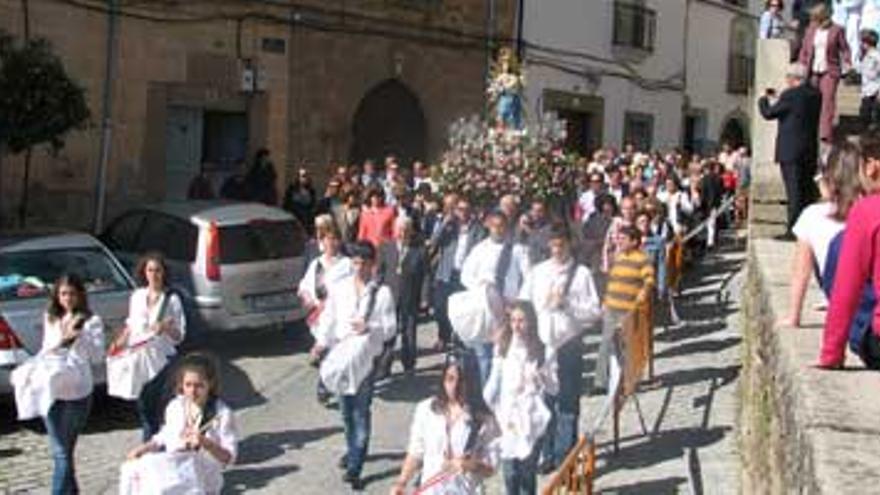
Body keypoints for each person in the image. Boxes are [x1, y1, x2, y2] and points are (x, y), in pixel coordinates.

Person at [11, 275, 105, 494]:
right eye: (63, 294)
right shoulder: (51, 317)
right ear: (57, 296)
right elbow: (46, 350)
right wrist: (63, 338)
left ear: (80, 295)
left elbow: (97, 357)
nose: (68, 298)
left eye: (72, 293)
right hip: (51, 390)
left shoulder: (91, 321)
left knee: (66, 450)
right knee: (60, 451)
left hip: (77, 390)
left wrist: (81, 336)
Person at [313, 241, 396, 489]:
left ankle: (355, 466)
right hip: (340, 358)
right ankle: (352, 450)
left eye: (365, 263)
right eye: (356, 263)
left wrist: (370, 327)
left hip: (365, 361)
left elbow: (391, 328)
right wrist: (320, 344)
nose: (360, 268)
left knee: (360, 412)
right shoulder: (340, 289)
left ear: (373, 265)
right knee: (346, 413)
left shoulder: (382, 294)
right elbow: (329, 319)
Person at [519, 225, 602, 474]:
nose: (556, 250)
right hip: (543, 344)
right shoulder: (538, 272)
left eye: (561, 245)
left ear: (569, 244)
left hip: (569, 344)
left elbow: (593, 312)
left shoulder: (582, 274)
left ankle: (566, 456)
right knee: (545, 401)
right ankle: (547, 453)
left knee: (568, 402)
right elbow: (524, 304)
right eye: (553, 245)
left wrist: (567, 304)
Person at [121, 352, 237, 494]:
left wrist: (205, 443)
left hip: (203, 475)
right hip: (174, 466)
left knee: (160, 489)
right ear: (181, 384)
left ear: (210, 384)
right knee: (134, 469)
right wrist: (144, 448)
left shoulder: (221, 413)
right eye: (188, 385)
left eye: (199, 386)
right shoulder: (176, 406)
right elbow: (164, 435)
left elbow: (229, 458)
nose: (192, 391)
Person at [779, 141, 862, 329]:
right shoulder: (869, 211)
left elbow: (801, 270)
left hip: (842, 303)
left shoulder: (812, 215)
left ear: (828, 179)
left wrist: (793, 316)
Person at [390, 356, 499, 495]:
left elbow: (491, 468)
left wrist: (470, 465)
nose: (455, 386)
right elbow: (415, 452)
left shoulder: (484, 418)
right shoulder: (426, 409)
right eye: (450, 379)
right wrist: (402, 482)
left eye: (461, 381)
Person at [108, 252, 187, 440]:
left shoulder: (171, 300)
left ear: (164, 273)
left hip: (161, 357)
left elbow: (180, 335)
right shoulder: (137, 296)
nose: (154, 274)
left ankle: (151, 442)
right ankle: (154, 439)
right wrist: (118, 343)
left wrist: (166, 328)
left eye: (158, 270)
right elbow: (131, 325)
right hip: (137, 355)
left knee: (154, 401)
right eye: (150, 270)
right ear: (144, 272)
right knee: (143, 402)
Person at [483, 301, 556, 494]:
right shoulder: (503, 347)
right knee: (509, 472)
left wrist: (542, 376)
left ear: (530, 322)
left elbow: (554, 388)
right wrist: (486, 409)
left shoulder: (543, 349)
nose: (517, 325)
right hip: (507, 417)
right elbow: (493, 382)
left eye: (521, 320)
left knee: (526, 471)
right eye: (513, 320)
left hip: (531, 418)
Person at [821, 134, 880, 369]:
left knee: (839, 245)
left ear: (872, 166)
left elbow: (845, 290)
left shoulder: (867, 211)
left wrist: (831, 354)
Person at [457, 211, 532, 386]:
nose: (498, 230)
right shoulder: (480, 249)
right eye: (494, 226)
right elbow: (466, 275)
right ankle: (486, 400)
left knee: (507, 355)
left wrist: (519, 302)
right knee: (485, 356)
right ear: (488, 226)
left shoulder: (518, 250)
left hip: (509, 308)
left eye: (501, 226)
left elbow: (529, 278)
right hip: (485, 309)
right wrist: (480, 286)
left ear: (507, 227)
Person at [759, 62, 823, 239]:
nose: (786, 81)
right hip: (809, 150)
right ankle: (806, 229)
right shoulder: (816, 94)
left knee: (793, 192)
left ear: (794, 78)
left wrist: (763, 99)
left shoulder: (790, 95)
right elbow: (798, 107)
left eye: (788, 78)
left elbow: (769, 113)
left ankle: (793, 230)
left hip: (790, 150)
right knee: (806, 192)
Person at [595, 226, 655, 391]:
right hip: (612, 308)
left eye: (622, 239)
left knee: (628, 346)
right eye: (618, 238)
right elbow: (612, 282)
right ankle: (601, 382)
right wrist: (605, 302)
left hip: (628, 311)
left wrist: (644, 293)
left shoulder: (642, 259)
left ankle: (630, 381)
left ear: (634, 241)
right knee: (606, 344)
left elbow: (649, 279)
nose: (618, 241)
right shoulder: (618, 257)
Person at [299, 225, 353, 405]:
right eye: (327, 239)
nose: (331, 243)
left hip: (340, 317)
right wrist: (307, 297)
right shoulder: (316, 264)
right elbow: (304, 286)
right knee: (326, 353)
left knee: (335, 354)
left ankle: (326, 386)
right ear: (322, 242)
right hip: (319, 316)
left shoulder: (347, 264)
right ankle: (326, 383)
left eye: (335, 239)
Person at [430, 196, 485, 350]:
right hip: (446, 272)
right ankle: (443, 335)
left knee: (462, 310)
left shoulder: (478, 228)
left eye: (467, 210)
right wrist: (445, 223)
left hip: (465, 275)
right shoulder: (449, 227)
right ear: (455, 211)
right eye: (460, 210)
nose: (464, 213)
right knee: (440, 307)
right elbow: (434, 242)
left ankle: (459, 337)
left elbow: (479, 248)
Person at [377, 216, 428, 376]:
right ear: (394, 230)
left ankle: (409, 363)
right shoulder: (386, 248)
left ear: (411, 231)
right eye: (400, 229)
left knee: (409, 331)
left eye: (406, 229)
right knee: (387, 332)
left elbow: (426, 275)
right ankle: (384, 366)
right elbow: (380, 272)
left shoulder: (419, 251)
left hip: (410, 296)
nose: (403, 232)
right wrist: (376, 293)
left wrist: (425, 297)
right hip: (389, 298)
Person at [799, 2, 852, 142]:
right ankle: (810, 129)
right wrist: (802, 64)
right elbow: (804, 49)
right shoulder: (811, 29)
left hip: (830, 71)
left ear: (823, 17)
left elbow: (845, 48)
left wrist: (847, 62)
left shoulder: (837, 30)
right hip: (812, 71)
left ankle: (825, 134)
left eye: (815, 17)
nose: (813, 20)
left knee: (827, 102)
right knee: (811, 100)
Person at [283, 168, 318, 233]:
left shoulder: (311, 191)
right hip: (294, 218)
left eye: (306, 176)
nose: (304, 179)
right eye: (303, 176)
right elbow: (286, 204)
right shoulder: (292, 189)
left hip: (305, 220)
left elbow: (313, 206)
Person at [859, 29, 880, 130]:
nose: (861, 44)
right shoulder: (865, 56)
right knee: (864, 116)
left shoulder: (876, 56)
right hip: (866, 91)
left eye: (863, 42)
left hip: (874, 92)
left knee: (874, 120)